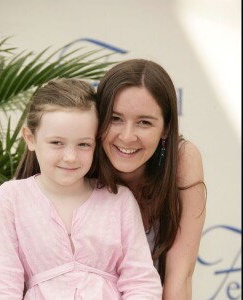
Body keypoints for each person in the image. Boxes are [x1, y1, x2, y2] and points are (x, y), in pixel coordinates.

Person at [0, 78, 162, 299]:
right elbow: (1, 287)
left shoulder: (119, 200)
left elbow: (141, 283)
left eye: (83, 144)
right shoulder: (12, 198)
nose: (70, 157)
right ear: (30, 138)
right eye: (57, 143)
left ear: (96, 143)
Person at [95, 59, 206, 300]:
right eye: (115, 118)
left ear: (166, 128)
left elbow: (180, 277)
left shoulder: (182, 160)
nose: (127, 136)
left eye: (144, 122)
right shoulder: (77, 160)